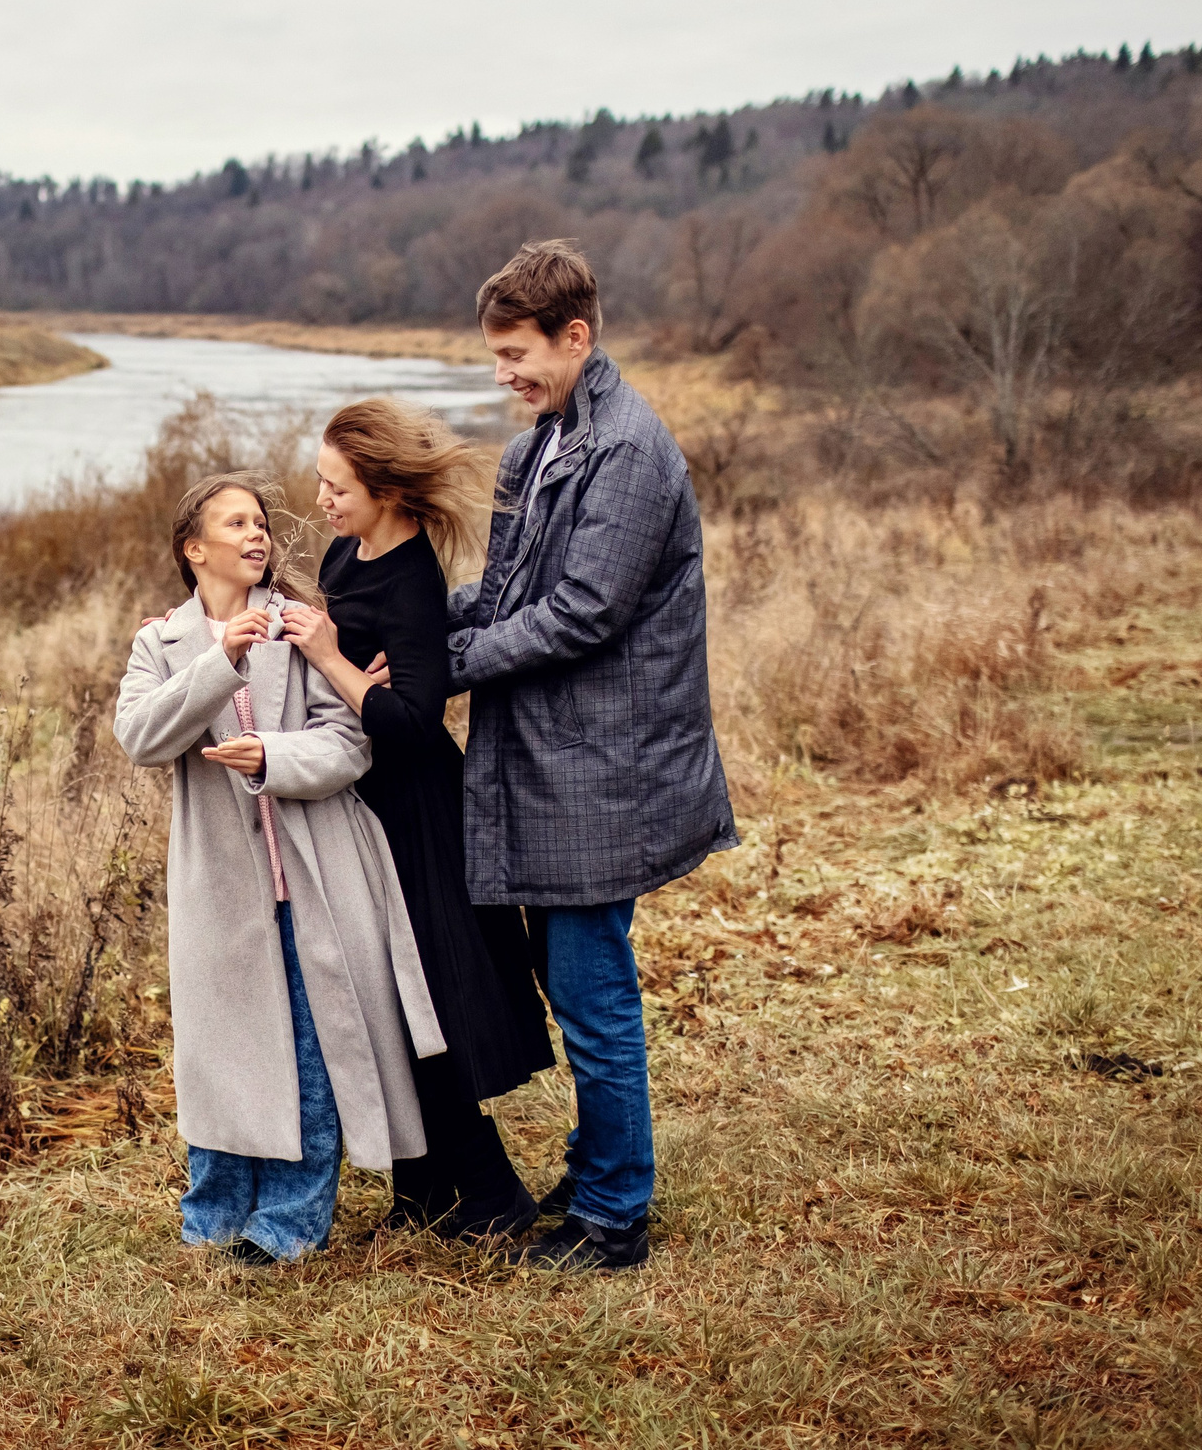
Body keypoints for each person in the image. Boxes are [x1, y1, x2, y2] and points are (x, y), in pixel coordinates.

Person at [447, 239, 740, 1272]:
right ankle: (599, 1162)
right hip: (552, 765)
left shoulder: (625, 449)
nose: (503, 375)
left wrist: (452, 667)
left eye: (517, 354)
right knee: (573, 985)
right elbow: (501, 594)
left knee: (591, 991)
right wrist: (392, 631)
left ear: (577, 336)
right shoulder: (540, 447)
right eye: (493, 356)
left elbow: (580, 613)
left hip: (603, 772)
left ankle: (614, 1216)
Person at [112, 472, 445, 1264]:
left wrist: (272, 756)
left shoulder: (303, 628)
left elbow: (350, 740)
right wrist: (216, 662)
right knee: (221, 1055)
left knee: (309, 1048)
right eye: (236, 523)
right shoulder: (159, 644)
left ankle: (290, 1224)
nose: (258, 535)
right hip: (219, 884)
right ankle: (214, 1214)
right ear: (195, 548)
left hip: (313, 874)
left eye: (262, 522)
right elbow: (139, 738)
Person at [278, 399, 555, 1242]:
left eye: (338, 486)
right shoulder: (346, 551)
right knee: (382, 999)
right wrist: (199, 626)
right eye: (322, 482)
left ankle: (494, 1198)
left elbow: (409, 719)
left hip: (415, 813)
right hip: (362, 808)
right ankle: (424, 1191)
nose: (323, 500)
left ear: (387, 489)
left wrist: (334, 660)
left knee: (420, 1000)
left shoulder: (412, 580)